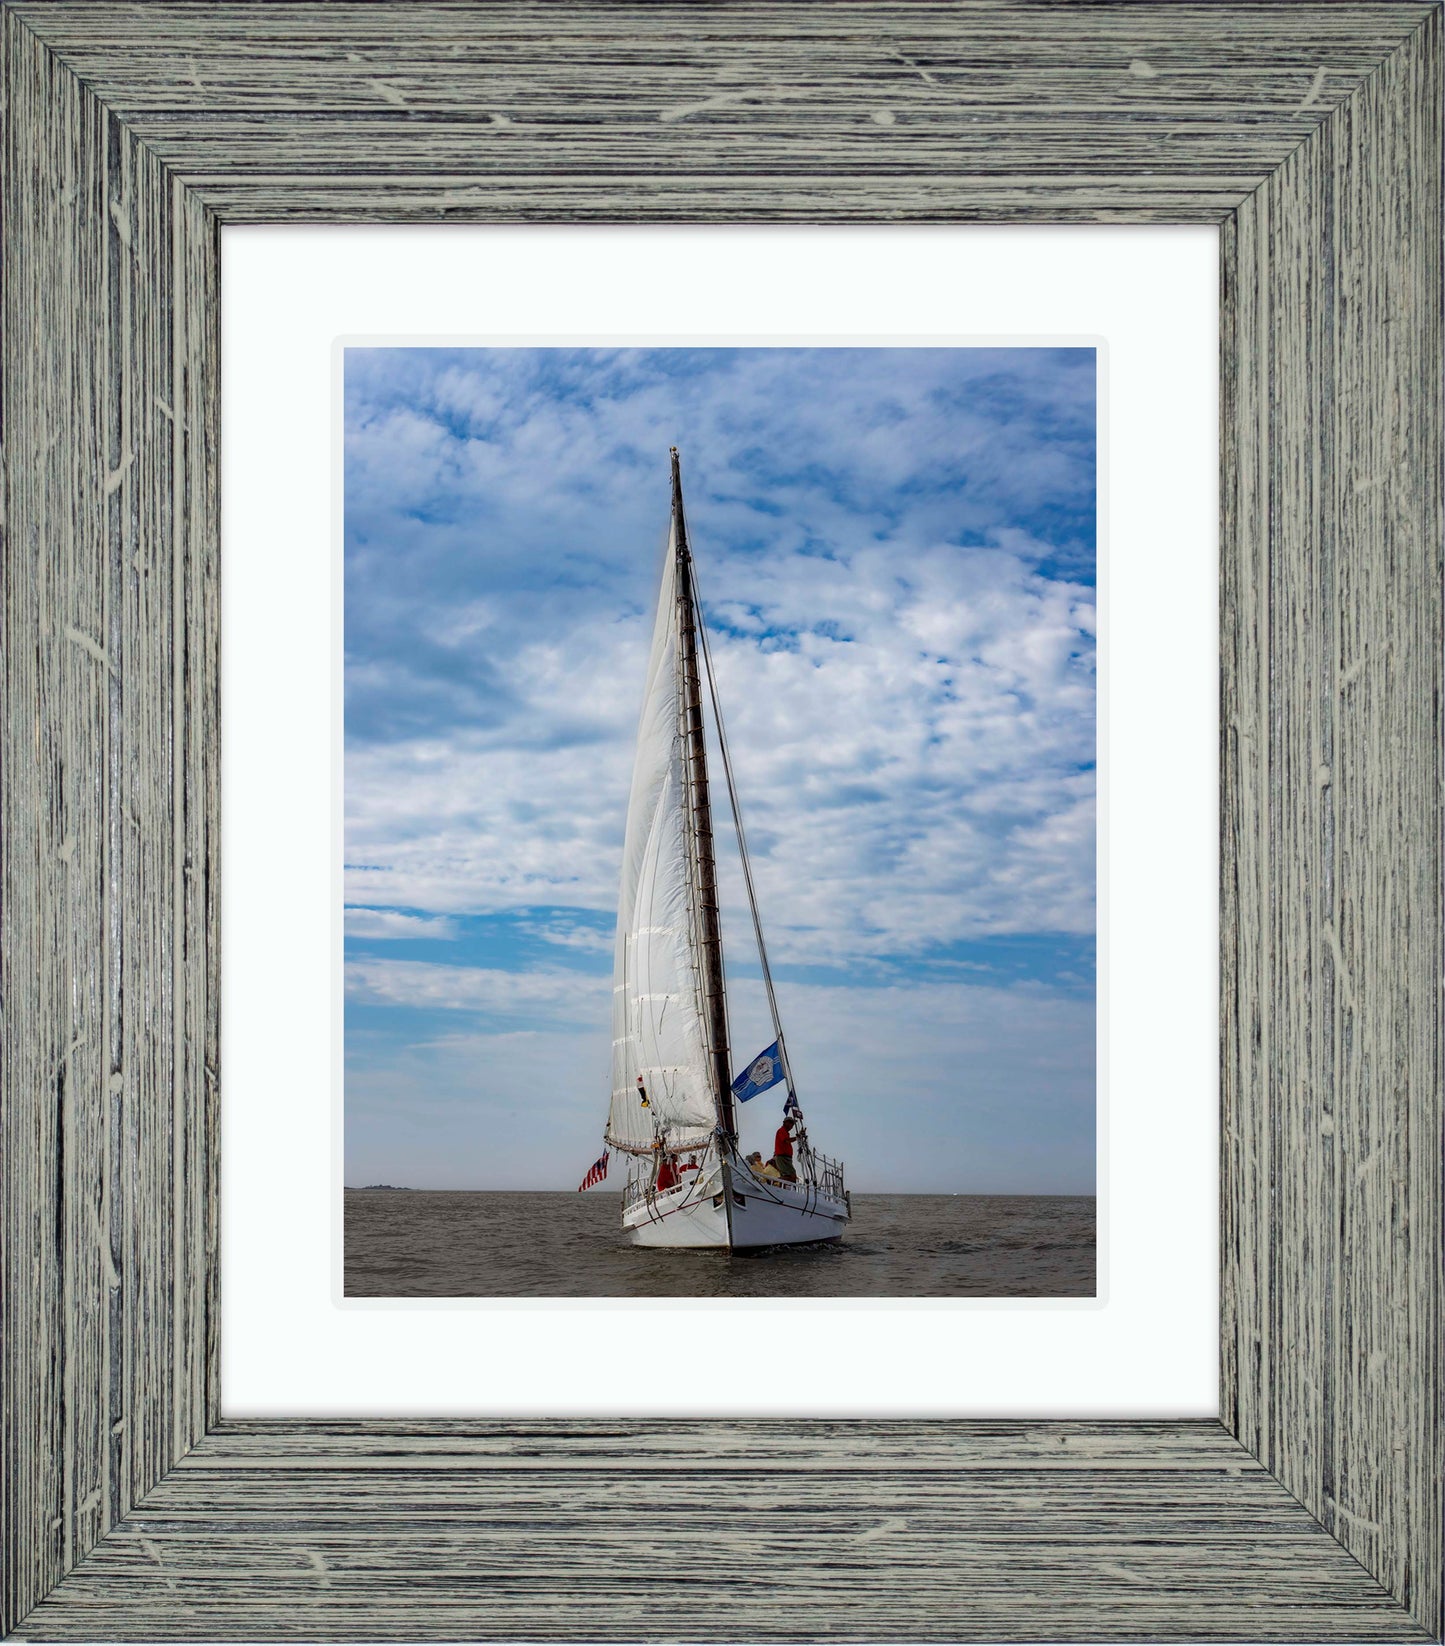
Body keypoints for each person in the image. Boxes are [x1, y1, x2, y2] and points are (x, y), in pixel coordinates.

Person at [771, 1115, 799, 1182]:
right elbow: (787, 1140)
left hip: (785, 1158)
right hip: (782, 1157)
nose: (792, 1126)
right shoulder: (781, 1130)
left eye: (792, 1124)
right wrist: (797, 1138)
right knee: (790, 1176)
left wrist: (797, 1137)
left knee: (791, 1176)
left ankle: (777, 1183)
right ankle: (774, 1182)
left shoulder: (785, 1132)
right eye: (790, 1123)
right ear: (785, 1123)